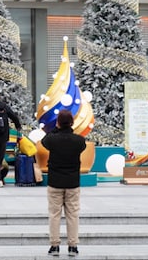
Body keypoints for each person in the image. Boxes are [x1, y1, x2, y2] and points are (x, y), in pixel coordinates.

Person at [41, 110, 87, 257]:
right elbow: (82, 145)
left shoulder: (52, 140)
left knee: (54, 214)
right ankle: (73, 246)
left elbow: (44, 140)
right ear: (72, 123)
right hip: (73, 182)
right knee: (72, 214)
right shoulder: (79, 141)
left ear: (58, 122)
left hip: (55, 182)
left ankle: (54, 246)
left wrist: (56, 128)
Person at [0, 88, 23, 186]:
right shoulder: (4, 106)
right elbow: (14, 116)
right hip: (4, 135)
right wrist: (18, 126)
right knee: (0, 157)